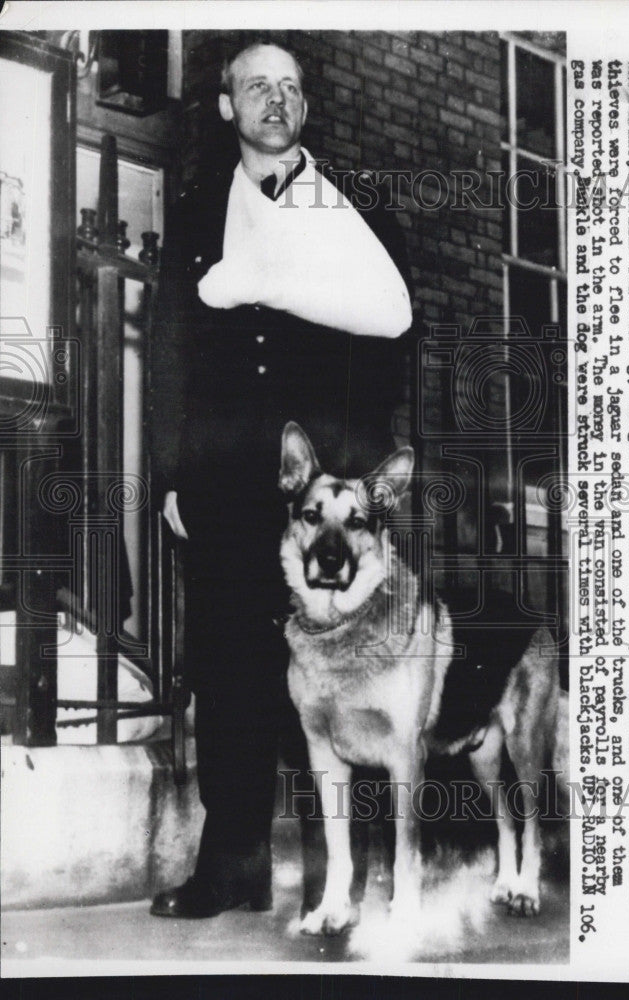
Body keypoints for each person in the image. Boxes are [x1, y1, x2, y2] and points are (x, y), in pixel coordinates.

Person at [149, 40, 412, 918]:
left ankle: (346, 878)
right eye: (257, 85)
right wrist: (172, 476)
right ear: (226, 106)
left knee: (337, 677)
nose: (276, 99)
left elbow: (387, 341)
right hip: (225, 484)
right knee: (229, 671)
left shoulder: (352, 208)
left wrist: (360, 472)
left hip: (323, 494)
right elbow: (171, 349)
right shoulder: (194, 212)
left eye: (291, 87)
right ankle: (232, 867)